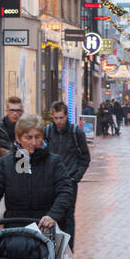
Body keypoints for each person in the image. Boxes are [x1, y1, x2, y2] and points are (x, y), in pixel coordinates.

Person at [0, 114, 75, 235]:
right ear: (18, 138)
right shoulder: (7, 163)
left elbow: (65, 191)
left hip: (45, 229)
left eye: (38, 137)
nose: (33, 142)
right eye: (28, 138)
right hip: (14, 229)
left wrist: (53, 215)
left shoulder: (54, 162)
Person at [44, 101, 90, 250]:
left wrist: (76, 177)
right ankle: (52, 249)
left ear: (66, 116)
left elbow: (85, 157)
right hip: (50, 182)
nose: (58, 121)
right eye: (56, 118)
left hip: (69, 182)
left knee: (68, 216)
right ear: (52, 116)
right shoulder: (47, 132)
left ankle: (68, 252)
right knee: (51, 215)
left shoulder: (76, 133)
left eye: (61, 118)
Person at [0, 96, 23, 170]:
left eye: (18, 111)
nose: (15, 114)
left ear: (22, 111)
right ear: (7, 111)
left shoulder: (27, 131)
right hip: (3, 176)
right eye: (12, 110)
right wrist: (1, 167)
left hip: (22, 174)